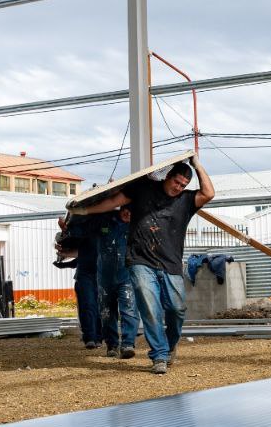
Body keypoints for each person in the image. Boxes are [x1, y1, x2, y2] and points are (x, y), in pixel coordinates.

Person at [69, 156, 214, 374]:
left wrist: (198, 165)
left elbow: (209, 193)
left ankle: (170, 344)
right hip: (140, 261)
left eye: (183, 185)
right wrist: (85, 210)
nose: (179, 187)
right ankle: (159, 356)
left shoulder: (185, 200)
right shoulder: (143, 189)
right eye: (176, 182)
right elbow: (113, 201)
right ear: (168, 176)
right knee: (150, 307)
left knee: (176, 309)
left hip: (171, 264)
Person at [96, 205, 139, 359]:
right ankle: (112, 345)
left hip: (127, 275)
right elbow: (82, 231)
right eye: (125, 208)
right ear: (119, 208)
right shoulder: (104, 222)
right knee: (107, 312)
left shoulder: (138, 227)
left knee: (129, 309)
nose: (128, 212)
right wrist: (67, 229)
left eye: (131, 209)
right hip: (105, 277)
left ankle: (128, 344)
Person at [57, 213, 102, 349]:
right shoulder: (81, 226)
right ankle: (90, 337)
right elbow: (79, 252)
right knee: (88, 305)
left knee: (99, 306)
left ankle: (98, 337)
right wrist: (65, 230)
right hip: (86, 273)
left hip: (101, 272)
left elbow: (78, 253)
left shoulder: (106, 223)